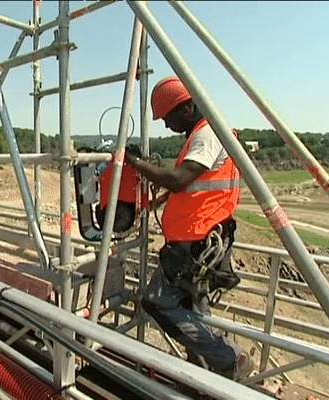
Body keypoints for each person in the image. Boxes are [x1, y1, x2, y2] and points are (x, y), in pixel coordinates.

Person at [125, 76, 253, 380]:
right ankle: (208, 377)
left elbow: (180, 179)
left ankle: (230, 359)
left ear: (185, 108)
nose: (167, 126)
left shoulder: (207, 135)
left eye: (167, 118)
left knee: (156, 302)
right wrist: (156, 204)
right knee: (193, 309)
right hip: (203, 239)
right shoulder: (206, 132)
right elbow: (193, 187)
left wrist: (136, 163)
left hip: (194, 242)